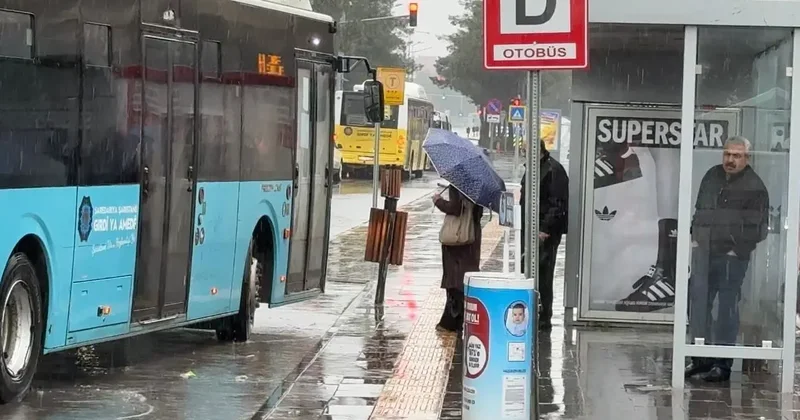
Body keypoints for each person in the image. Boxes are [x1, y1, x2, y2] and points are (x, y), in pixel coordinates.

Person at [685, 136, 769, 382]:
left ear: (747, 158)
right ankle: (700, 358)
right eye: (727, 154)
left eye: (736, 155)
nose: (730, 160)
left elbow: (759, 228)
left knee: (726, 309)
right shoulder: (712, 176)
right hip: (704, 253)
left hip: (732, 259)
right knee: (698, 304)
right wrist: (695, 238)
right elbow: (700, 210)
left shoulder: (755, 186)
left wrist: (737, 250)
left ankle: (722, 364)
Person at [520, 139, 569, 330]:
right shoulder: (534, 168)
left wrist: (544, 229)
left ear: (537, 150)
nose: (524, 153)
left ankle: (544, 317)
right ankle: (533, 311)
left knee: (544, 274)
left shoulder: (553, 170)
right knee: (529, 272)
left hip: (545, 233)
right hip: (530, 229)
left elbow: (558, 204)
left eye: (526, 150)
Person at [433, 185, 484, 332]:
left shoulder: (458, 186)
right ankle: (461, 319)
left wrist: (438, 201)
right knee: (465, 279)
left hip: (457, 240)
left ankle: (451, 321)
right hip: (471, 237)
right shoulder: (477, 187)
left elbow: (455, 208)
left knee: (454, 281)